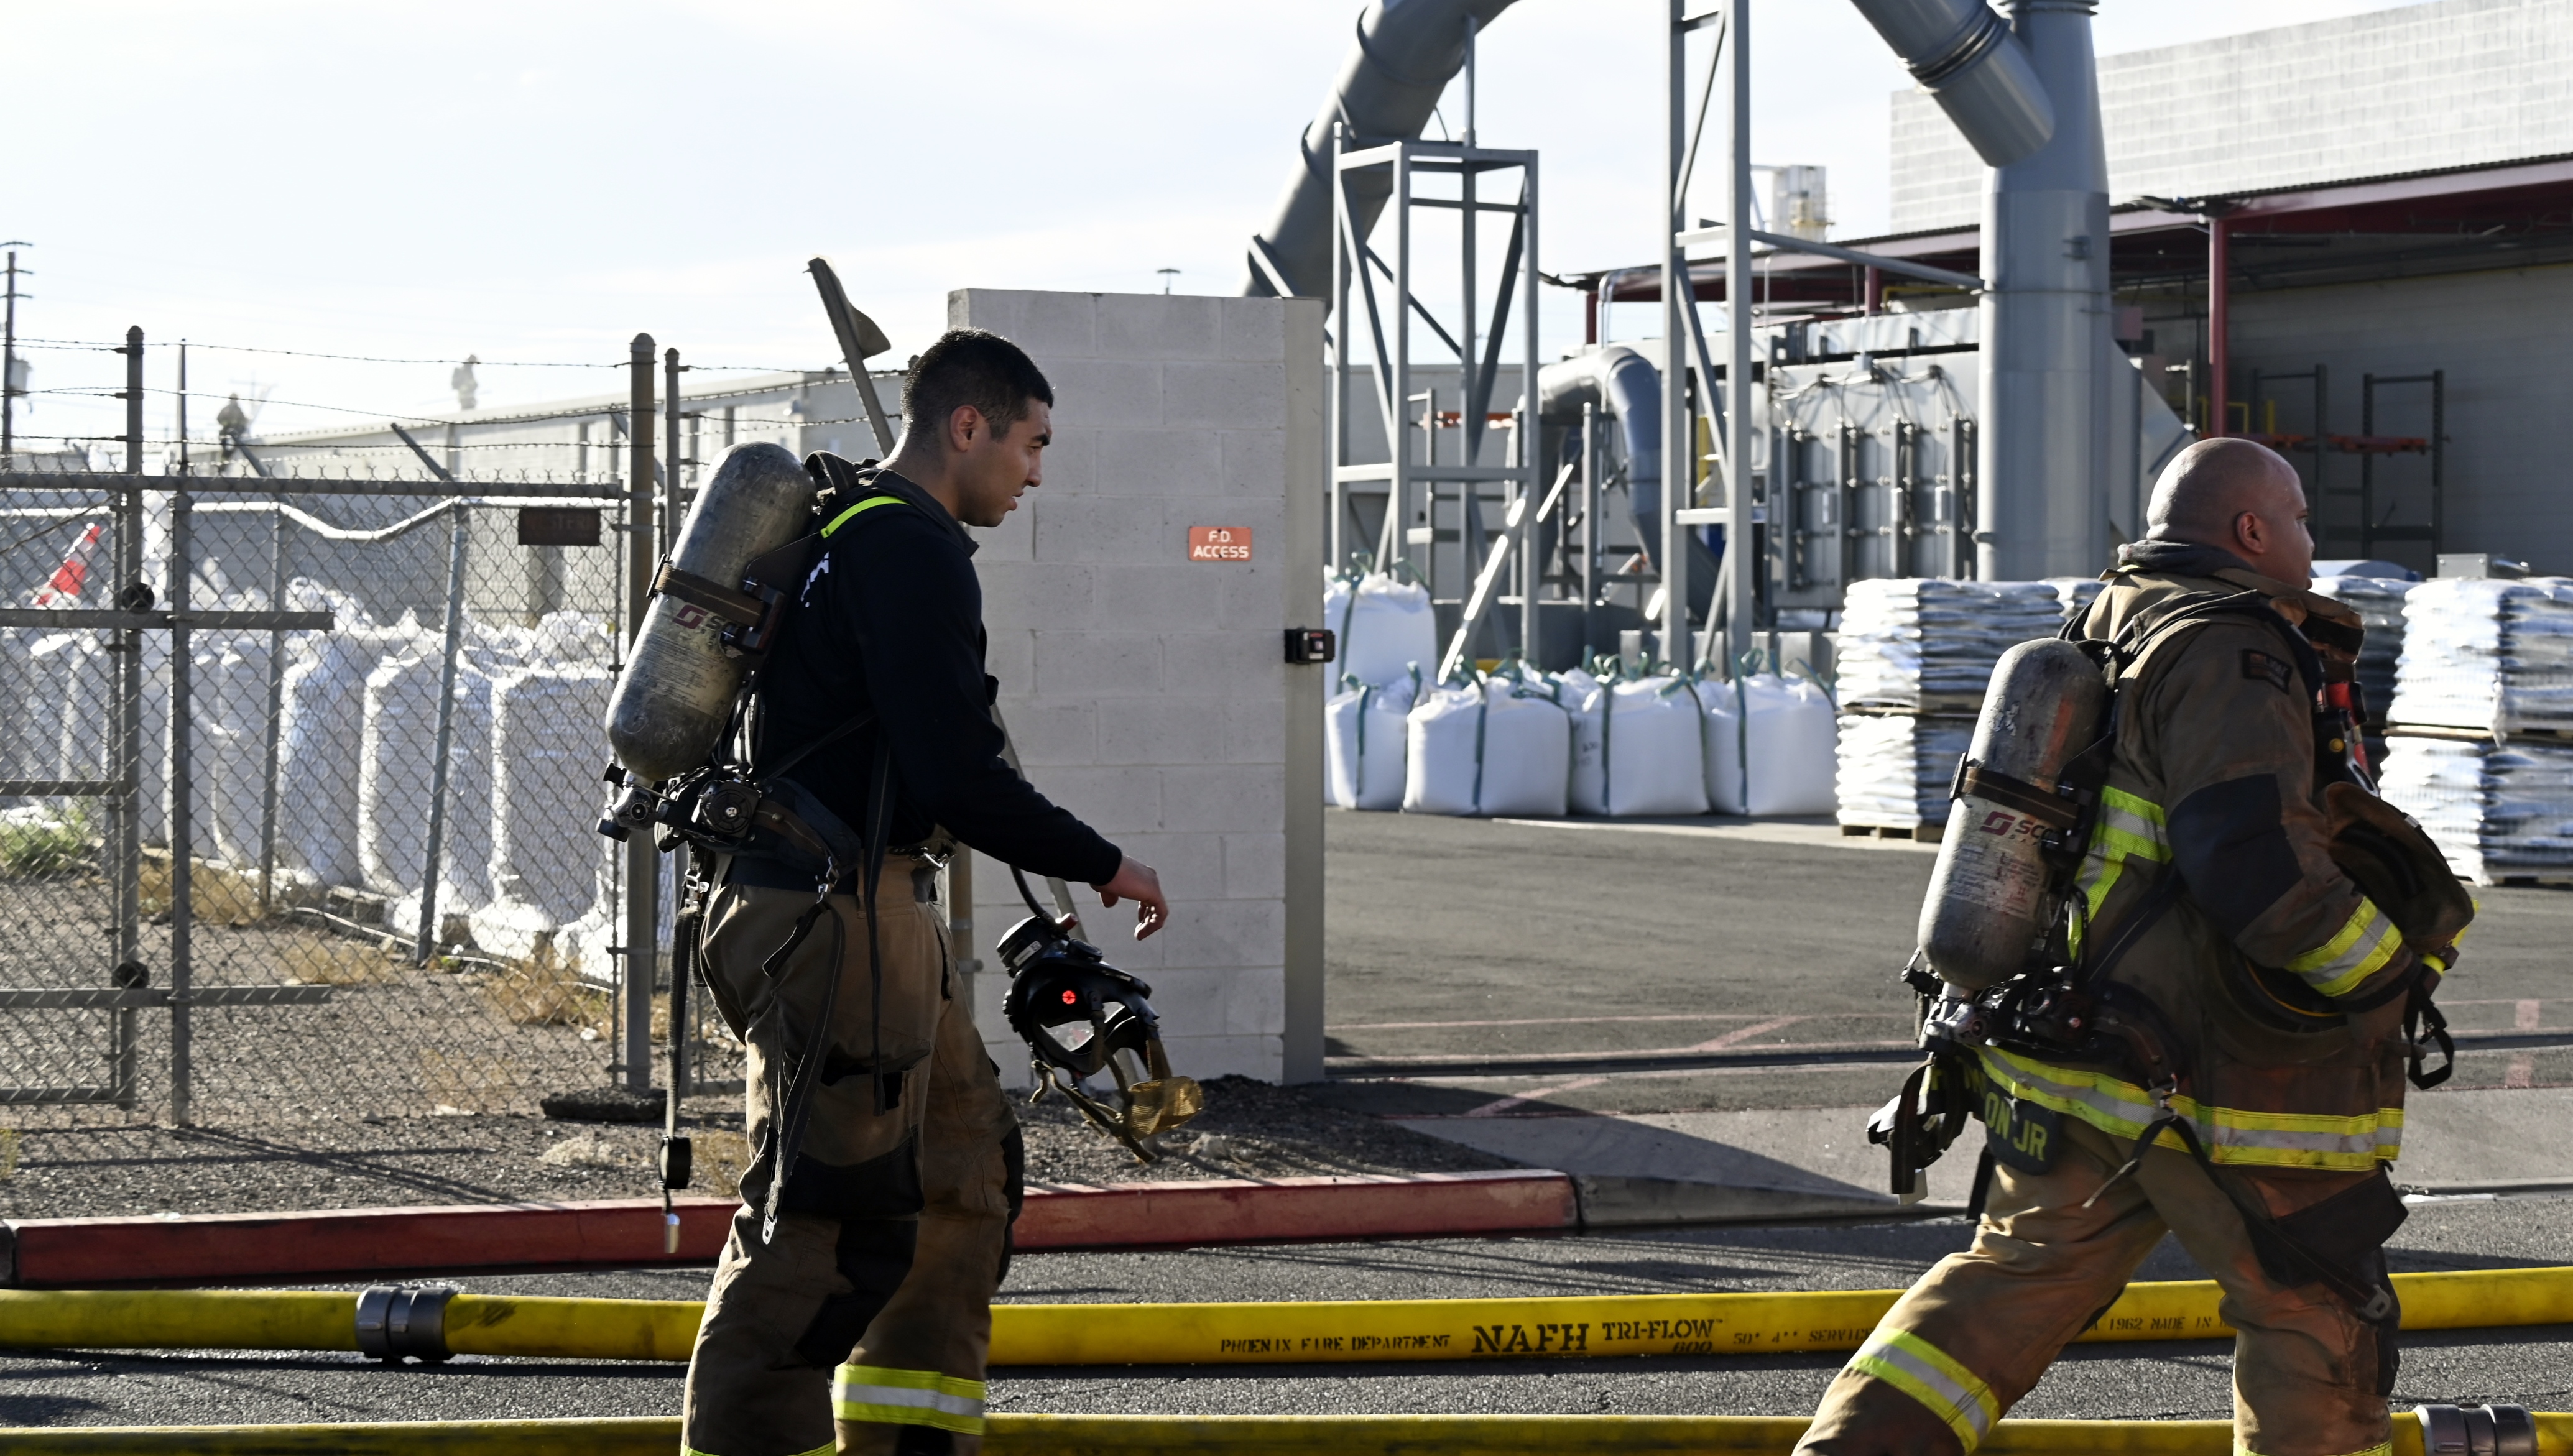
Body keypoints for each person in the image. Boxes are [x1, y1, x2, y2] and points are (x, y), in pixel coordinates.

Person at [1798, 438, 2467, 1456]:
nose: (2308, 537)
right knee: (2319, 1311)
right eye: (2297, 518)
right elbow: (2254, 866)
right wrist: (2385, 977)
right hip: (2217, 1078)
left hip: (2069, 1056)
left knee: (2006, 1284)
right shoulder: (2230, 649)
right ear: (2249, 529)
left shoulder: (2110, 620)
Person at [682, 328, 1168, 1456]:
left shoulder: (860, 531)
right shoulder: (906, 546)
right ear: (967, 425)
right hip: (837, 922)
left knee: (960, 1173)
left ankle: (908, 1441)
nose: (1035, 473)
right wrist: (1104, 863)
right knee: (821, 1223)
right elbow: (957, 772)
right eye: (1031, 445)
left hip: (859, 910)